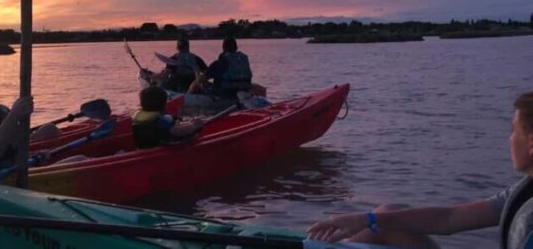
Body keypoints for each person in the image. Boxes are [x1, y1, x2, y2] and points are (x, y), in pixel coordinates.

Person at [307, 90, 533, 249]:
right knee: (385, 216)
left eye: (514, 131)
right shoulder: (522, 192)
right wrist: (366, 219)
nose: (510, 138)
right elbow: (450, 218)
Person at [132, 86, 204, 149]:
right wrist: (194, 125)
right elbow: (177, 131)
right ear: (164, 107)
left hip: (143, 148)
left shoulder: (137, 120)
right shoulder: (159, 122)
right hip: (157, 152)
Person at [187, 37, 252, 98]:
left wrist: (197, 73)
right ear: (236, 48)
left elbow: (203, 78)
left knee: (198, 81)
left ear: (224, 48)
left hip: (225, 94)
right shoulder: (244, 59)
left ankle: (187, 98)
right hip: (244, 90)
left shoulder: (222, 62)